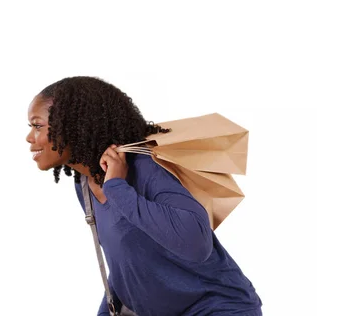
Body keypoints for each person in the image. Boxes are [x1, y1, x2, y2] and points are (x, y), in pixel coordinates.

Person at [25, 76, 263, 315]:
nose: (29, 138)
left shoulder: (147, 168)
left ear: (73, 125)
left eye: (37, 126)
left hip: (217, 307)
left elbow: (197, 244)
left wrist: (117, 188)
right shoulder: (85, 184)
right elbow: (127, 260)